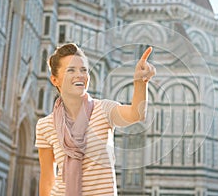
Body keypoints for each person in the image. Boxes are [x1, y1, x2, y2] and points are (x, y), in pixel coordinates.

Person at [35, 43, 156, 196]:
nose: (79, 75)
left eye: (83, 70)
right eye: (71, 70)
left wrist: (140, 82)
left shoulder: (104, 110)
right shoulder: (44, 125)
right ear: (55, 80)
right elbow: (47, 178)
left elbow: (136, 114)